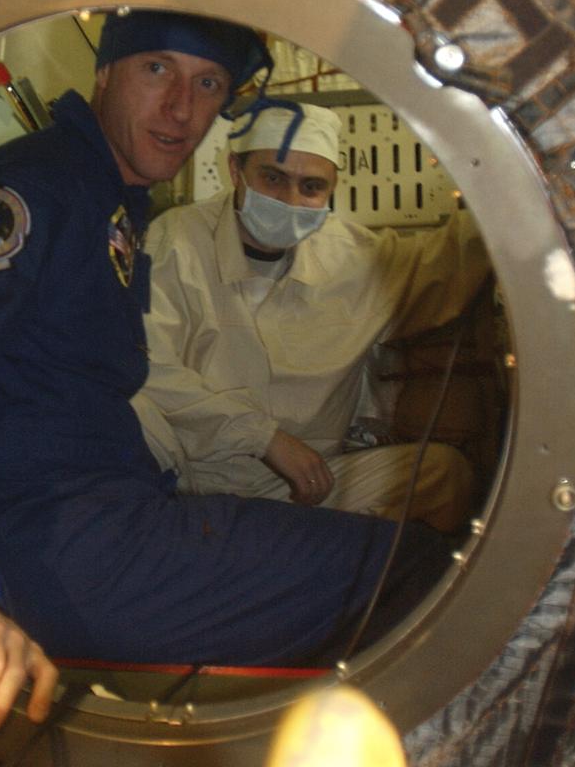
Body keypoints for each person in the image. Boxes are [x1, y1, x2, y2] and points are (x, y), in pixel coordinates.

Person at [0, 11, 452, 734]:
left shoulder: (113, 206)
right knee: (422, 572)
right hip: (60, 546)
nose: (181, 107)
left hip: (117, 513)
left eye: (207, 84)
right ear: (104, 73)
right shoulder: (30, 189)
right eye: (156, 70)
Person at [133, 104, 492, 532]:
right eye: (273, 178)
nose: (290, 200)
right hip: (186, 479)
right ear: (236, 169)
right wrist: (263, 438)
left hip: (303, 486)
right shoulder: (174, 241)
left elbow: (449, 260)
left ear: (331, 189)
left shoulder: (351, 256)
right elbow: (145, 366)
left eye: (311, 186)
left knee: (442, 475)